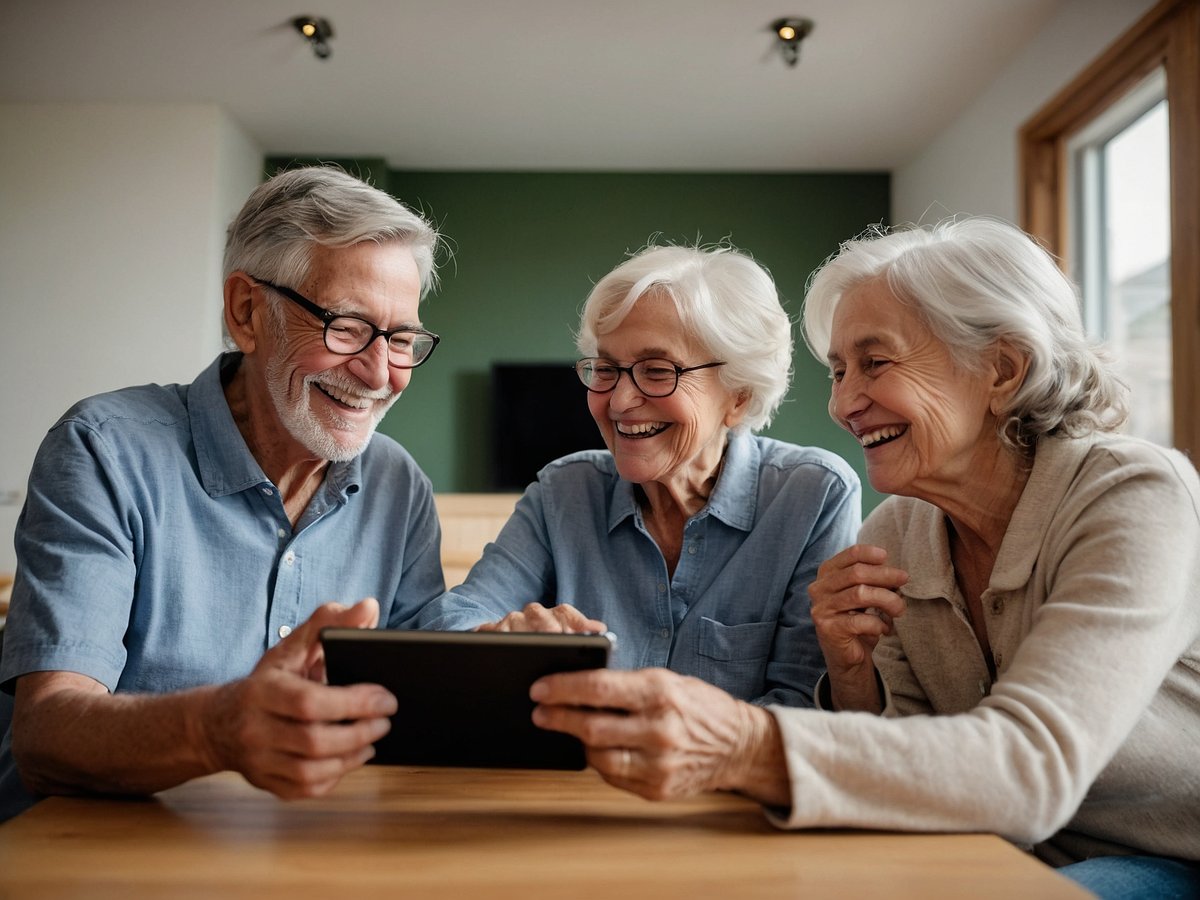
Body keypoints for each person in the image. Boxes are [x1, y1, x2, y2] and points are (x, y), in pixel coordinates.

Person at [525, 218, 1200, 899]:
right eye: (839, 371)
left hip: (1161, 854)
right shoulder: (898, 531)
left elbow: (1030, 768)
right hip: (991, 849)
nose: (843, 403)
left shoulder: (1134, 495)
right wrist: (852, 676)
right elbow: (904, 762)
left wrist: (744, 743)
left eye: (875, 363)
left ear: (1002, 368)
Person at [0, 166, 447, 821]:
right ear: (247, 312)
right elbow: (45, 736)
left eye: (401, 338)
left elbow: (421, 714)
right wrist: (217, 730)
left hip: (305, 847)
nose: (381, 373)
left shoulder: (398, 485)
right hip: (92, 849)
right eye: (347, 327)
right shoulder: (105, 449)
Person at [418, 244, 861, 706]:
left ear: (739, 396)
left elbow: (805, 703)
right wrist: (499, 635)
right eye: (606, 369)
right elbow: (449, 623)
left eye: (657, 371)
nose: (619, 401)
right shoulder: (564, 492)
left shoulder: (812, 496)